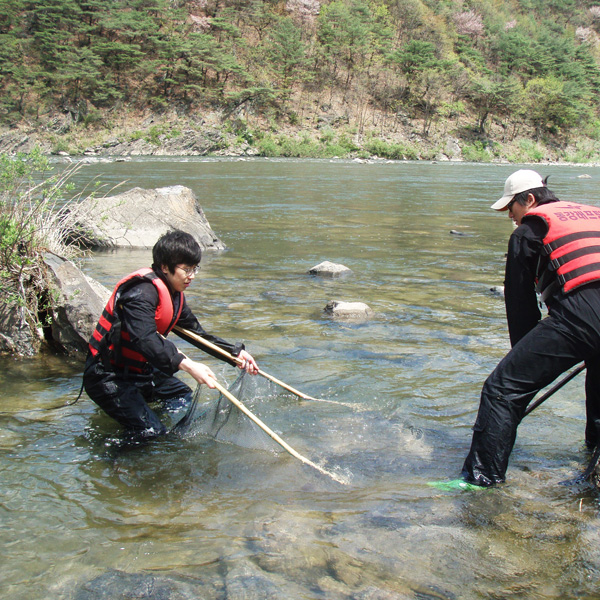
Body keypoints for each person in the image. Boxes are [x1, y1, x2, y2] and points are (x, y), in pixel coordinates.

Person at [461, 169, 600, 486]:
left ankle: (479, 482)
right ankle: (593, 467)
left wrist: (523, 366)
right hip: (591, 314)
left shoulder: (528, 232)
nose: (510, 216)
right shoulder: (593, 214)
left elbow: (520, 303)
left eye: (512, 208)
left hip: (582, 315)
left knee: (501, 391)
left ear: (531, 199)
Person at [83, 230, 258, 438]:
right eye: (186, 270)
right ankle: (118, 459)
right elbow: (144, 338)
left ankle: (143, 415)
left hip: (141, 371)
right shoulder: (141, 293)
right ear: (165, 267)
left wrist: (234, 354)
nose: (191, 276)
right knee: (151, 432)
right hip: (108, 375)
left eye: (195, 269)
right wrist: (189, 365)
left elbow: (197, 334)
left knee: (182, 395)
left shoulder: (174, 296)